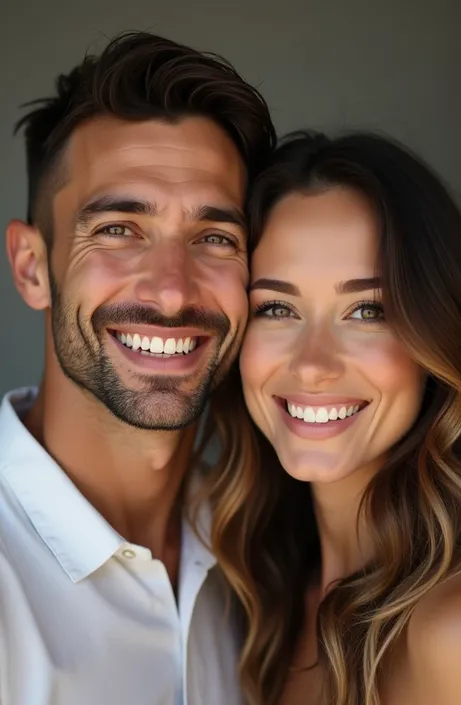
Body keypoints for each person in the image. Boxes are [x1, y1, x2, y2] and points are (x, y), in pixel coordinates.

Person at [1, 30, 275, 705]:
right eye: (120, 229)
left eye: (215, 238)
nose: (173, 290)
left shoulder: (268, 542)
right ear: (33, 267)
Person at [208, 131, 461, 705]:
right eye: (277, 308)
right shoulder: (257, 601)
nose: (312, 365)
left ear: (436, 337)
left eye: (368, 310)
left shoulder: (460, 631)